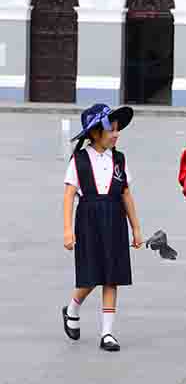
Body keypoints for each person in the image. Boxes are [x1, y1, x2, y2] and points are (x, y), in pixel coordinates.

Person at [62, 104, 143, 352]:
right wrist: (68, 229)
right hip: (88, 219)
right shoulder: (80, 160)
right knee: (90, 275)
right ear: (96, 133)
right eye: (112, 129)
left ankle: (107, 332)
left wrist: (136, 228)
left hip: (115, 219)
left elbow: (126, 194)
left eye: (118, 129)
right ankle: (73, 308)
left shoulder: (119, 159)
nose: (116, 134)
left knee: (112, 276)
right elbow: (69, 195)